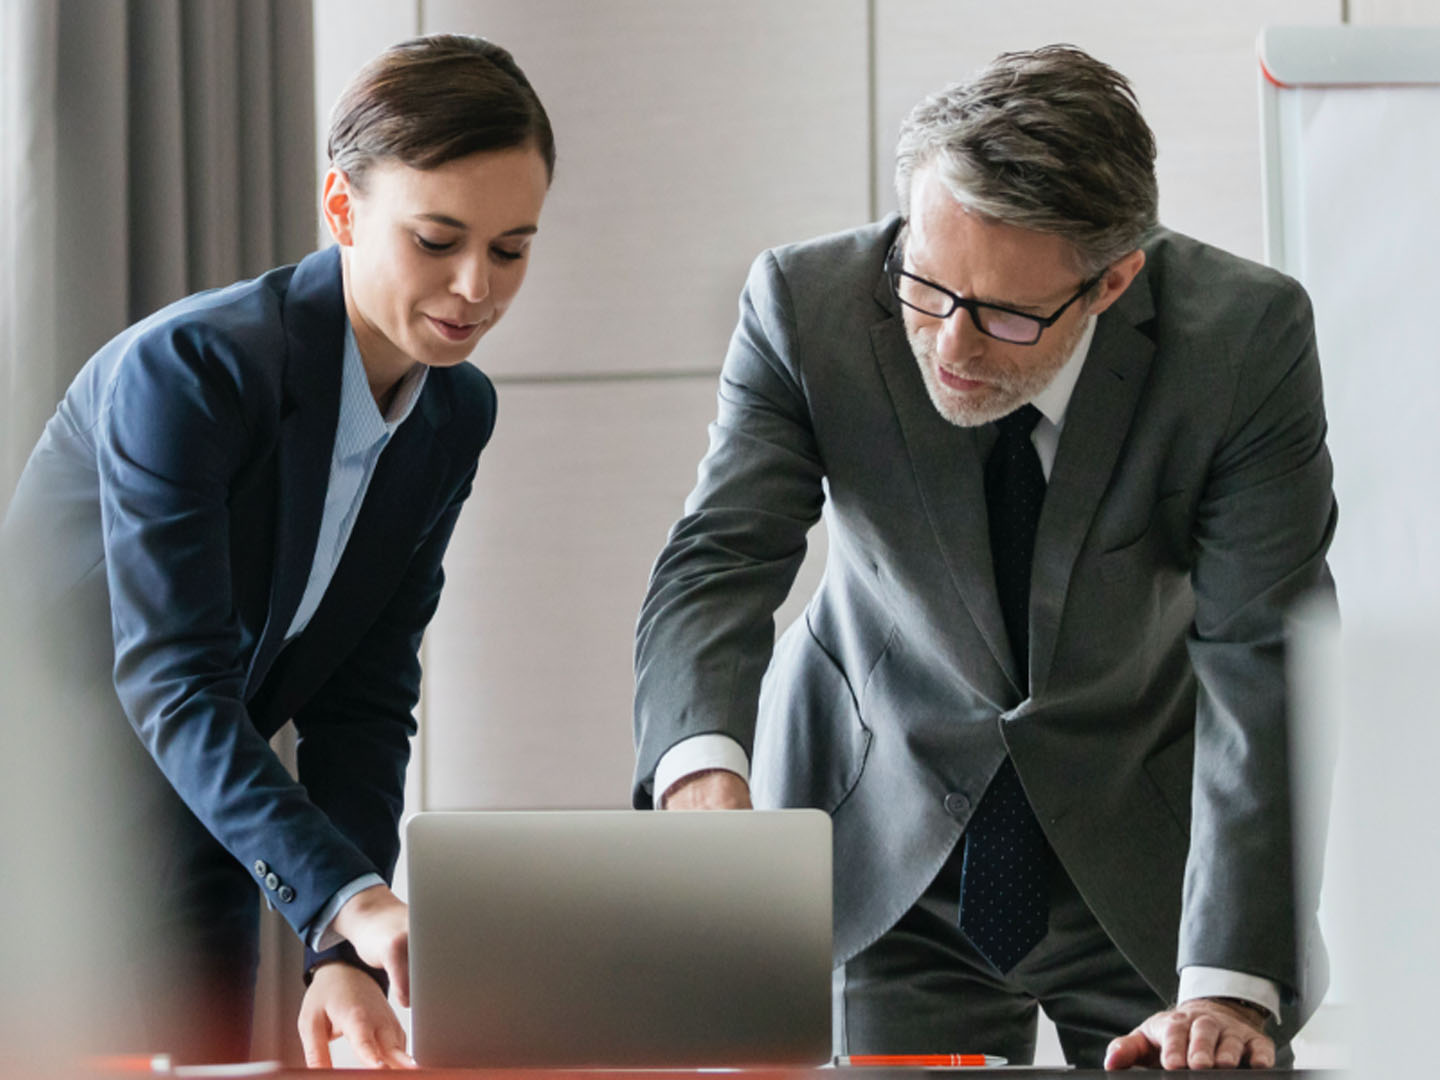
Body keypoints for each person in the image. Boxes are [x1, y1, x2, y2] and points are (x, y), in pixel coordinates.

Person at [633, 45, 1335, 1071]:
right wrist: (701, 780)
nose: (952, 348)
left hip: (1142, 854)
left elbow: (1260, 653)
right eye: (926, 285)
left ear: (1116, 278)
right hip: (879, 842)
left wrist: (1229, 980)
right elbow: (719, 562)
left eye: (1008, 315)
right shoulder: (807, 305)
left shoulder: (1241, 343)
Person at [0, 34, 553, 1068]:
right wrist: (353, 898)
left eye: (511, 248)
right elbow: (171, 677)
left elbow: (365, 694)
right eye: (438, 240)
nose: (477, 286)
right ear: (341, 209)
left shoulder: (453, 414)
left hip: (202, 814)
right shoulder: (193, 369)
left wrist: (338, 950)